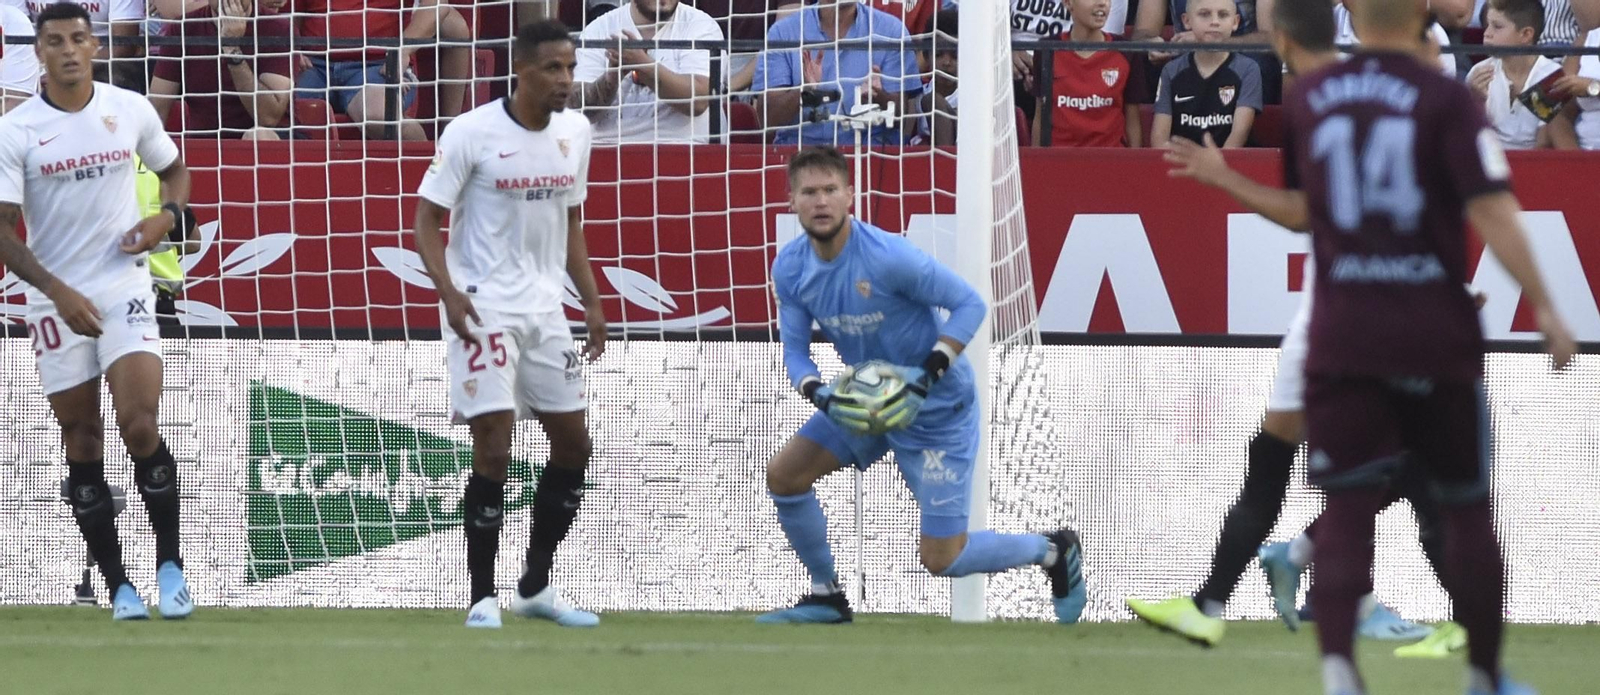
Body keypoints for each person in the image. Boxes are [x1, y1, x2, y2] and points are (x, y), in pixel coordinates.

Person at [1170, 0, 1575, 692]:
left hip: (1343, 330)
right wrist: (1544, 302)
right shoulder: (1447, 97)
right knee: (1466, 511)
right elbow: (1489, 206)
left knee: (1350, 507)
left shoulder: (1311, 100)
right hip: (1432, 329)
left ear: (1354, 16)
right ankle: (1485, 676)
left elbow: (1304, 211)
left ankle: (1338, 674)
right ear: (1423, 22)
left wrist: (1226, 178)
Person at [1127, 0, 1431, 647]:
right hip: (1353, 312)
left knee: (1283, 460)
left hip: (1333, 309)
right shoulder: (1348, 101)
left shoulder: (1324, 102)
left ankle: (1216, 602)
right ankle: (1340, 595)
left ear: (1282, 37)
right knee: (1386, 459)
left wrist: (1220, 176)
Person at [759, 146, 1087, 625]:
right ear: (792, 202)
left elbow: (971, 304)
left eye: (831, 189)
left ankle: (1053, 551)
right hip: (870, 405)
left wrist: (925, 376)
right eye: (809, 192)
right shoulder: (790, 268)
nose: (821, 201)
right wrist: (819, 392)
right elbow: (794, 351)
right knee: (785, 475)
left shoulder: (891, 257)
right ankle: (826, 595)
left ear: (851, 195)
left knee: (942, 558)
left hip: (936, 411)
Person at [0, 2, 195, 621]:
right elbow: (4, 232)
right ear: (38, 52)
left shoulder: (129, 109)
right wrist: (57, 291)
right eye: (54, 40)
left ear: (95, 46)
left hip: (123, 284)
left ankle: (170, 568)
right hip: (54, 296)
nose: (67, 50)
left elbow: (176, 172)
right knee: (80, 438)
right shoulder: (17, 131)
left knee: (139, 423)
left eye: (78, 39)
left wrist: (166, 217)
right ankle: (118, 586)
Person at [411, 19, 608, 629]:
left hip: (547, 311)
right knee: (494, 442)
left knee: (574, 445)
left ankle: (535, 585)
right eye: (553, 68)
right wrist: (447, 292)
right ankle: (481, 597)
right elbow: (425, 222)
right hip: (482, 306)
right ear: (520, 71)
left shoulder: (576, 133)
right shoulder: (471, 132)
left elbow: (571, 223)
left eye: (571, 68)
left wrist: (593, 302)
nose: (566, 81)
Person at [750, 0, 921, 146]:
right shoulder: (782, 32)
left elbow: (902, 116)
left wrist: (878, 97)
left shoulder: (892, 31)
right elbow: (767, 118)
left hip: (869, 153)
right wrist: (804, 92)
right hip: (800, 157)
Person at [570, 0, 723, 144]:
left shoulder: (701, 25)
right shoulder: (598, 28)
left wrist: (641, 64)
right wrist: (612, 76)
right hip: (607, 148)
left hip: (685, 149)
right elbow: (580, 111)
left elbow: (698, 103)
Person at [148, 0, 296, 139]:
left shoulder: (279, 28)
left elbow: (268, 118)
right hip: (205, 146)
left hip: (274, 143)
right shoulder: (183, 28)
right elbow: (157, 109)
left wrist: (231, 47)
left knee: (259, 135)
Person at [1033, 0, 1148, 147]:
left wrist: (1133, 166)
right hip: (1059, 160)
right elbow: (1040, 117)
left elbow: (1133, 122)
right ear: (1068, 3)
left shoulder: (1126, 52)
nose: (1102, 3)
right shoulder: (1047, 49)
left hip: (1111, 162)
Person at [1150, 0, 1263, 147]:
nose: (1215, 21)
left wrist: (1213, 168)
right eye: (1204, 14)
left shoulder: (1248, 69)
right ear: (1187, 21)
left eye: (1223, 15)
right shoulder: (1171, 71)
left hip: (1227, 165)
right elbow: (1159, 138)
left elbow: (1239, 135)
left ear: (1235, 22)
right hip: (1181, 165)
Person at [1466, 0, 1561, 150]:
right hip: (1491, 161)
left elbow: (1544, 143)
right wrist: (1476, 99)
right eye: (1487, 25)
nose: (1486, 34)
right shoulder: (1479, 72)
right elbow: (1473, 137)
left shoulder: (1550, 75)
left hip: (1534, 164)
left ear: (1526, 34)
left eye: (1497, 27)